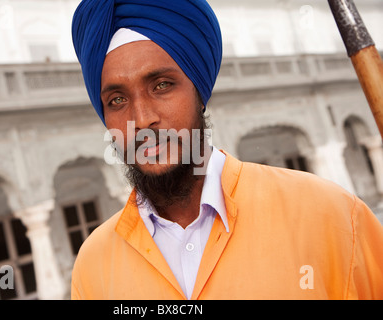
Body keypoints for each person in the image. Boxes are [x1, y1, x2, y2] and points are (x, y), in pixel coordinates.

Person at [70, 0, 383, 299]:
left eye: (162, 85)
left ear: (199, 92)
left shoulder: (332, 218)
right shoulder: (95, 265)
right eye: (117, 100)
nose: (141, 119)